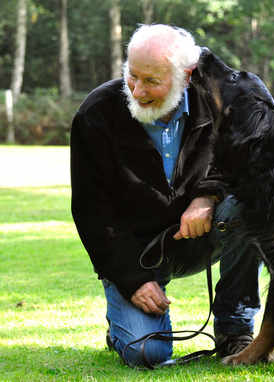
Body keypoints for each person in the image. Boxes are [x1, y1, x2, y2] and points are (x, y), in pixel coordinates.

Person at [70, 24, 261, 368]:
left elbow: (245, 164)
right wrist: (132, 280)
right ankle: (120, 330)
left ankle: (235, 329)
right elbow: (91, 211)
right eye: (132, 75)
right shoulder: (95, 113)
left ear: (187, 76)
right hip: (138, 252)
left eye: (152, 81)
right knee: (148, 354)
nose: (138, 91)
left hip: (205, 234)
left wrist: (207, 197)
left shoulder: (218, 103)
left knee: (249, 206)